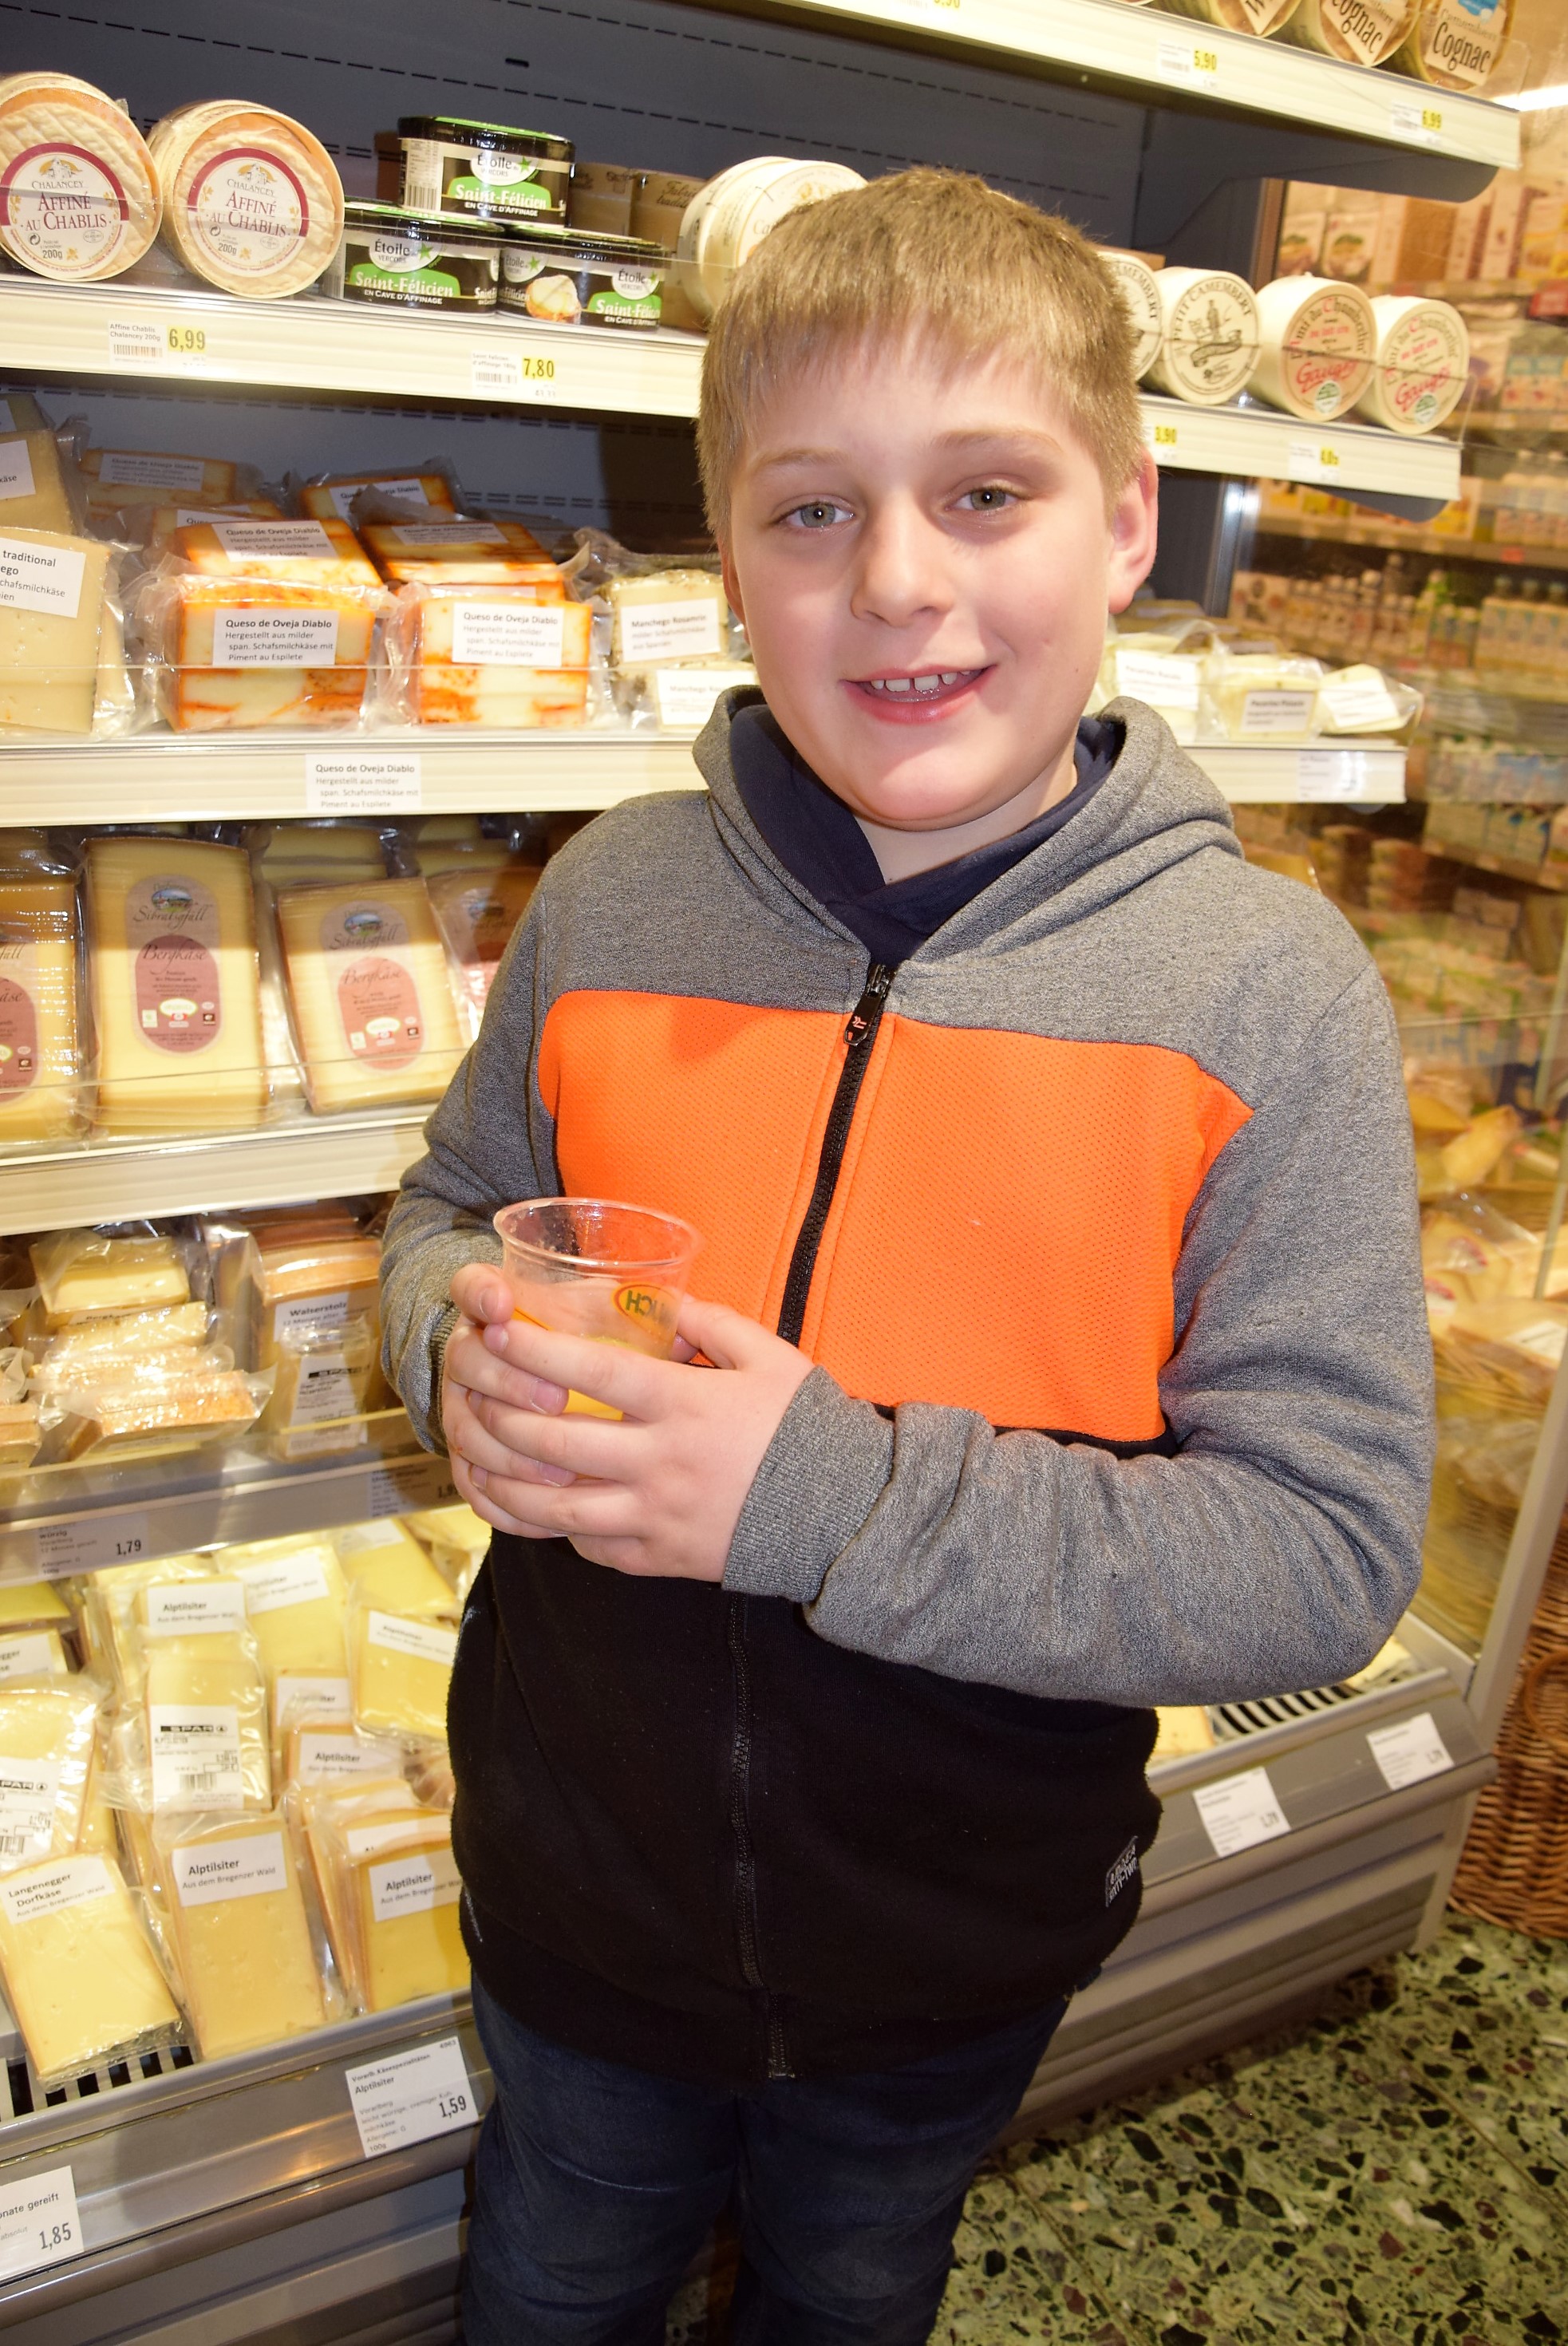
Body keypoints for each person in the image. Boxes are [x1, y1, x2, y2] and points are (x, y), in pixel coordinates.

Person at [379, 168, 1434, 2346]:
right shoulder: (614, 901)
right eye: (810, 511)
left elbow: (1325, 1551)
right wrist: (442, 1342)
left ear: (1127, 522)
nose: (897, 581)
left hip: (955, 1934)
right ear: (727, 561)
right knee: (553, 2268)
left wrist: (825, 1499)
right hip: (583, 1884)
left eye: (985, 492)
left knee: (854, 2283)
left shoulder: (1263, 992)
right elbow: (453, 1209)